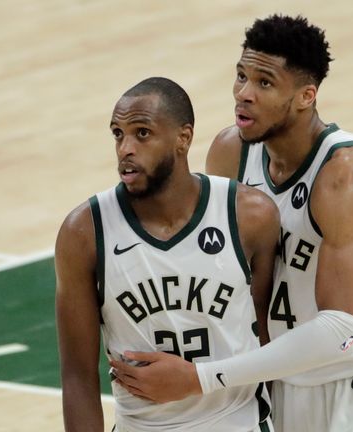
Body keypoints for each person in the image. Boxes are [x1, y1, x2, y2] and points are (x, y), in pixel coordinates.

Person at [109, 15, 353, 432]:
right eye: (241, 76)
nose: (243, 94)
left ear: (305, 96)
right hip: (275, 380)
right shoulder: (230, 154)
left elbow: (341, 331)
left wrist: (199, 379)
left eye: (264, 83)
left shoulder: (347, 175)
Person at [55, 77, 280, 432]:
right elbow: (78, 375)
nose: (125, 148)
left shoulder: (249, 215)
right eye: (118, 134)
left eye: (142, 133)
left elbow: (272, 339)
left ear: (183, 138)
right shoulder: (84, 232)